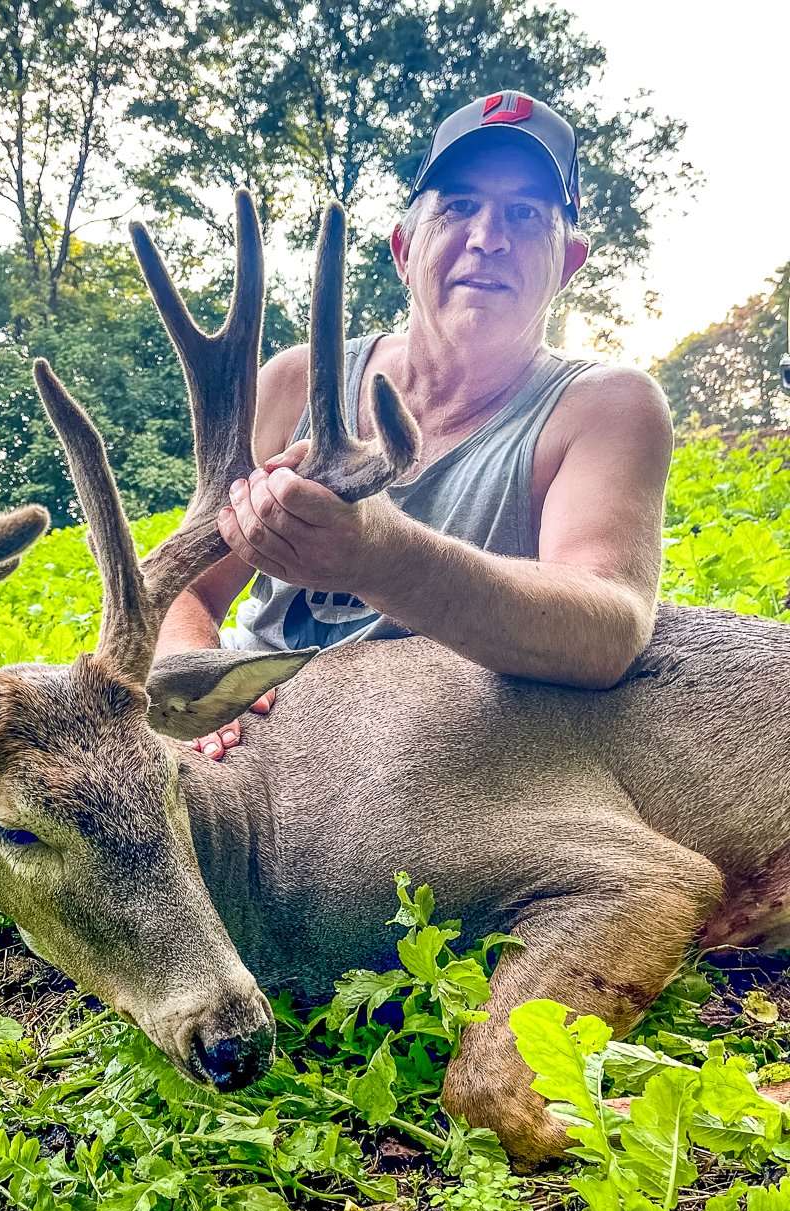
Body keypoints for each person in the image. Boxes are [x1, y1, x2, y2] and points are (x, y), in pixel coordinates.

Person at [153, 91, 674, 760]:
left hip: (430, 774)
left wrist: (382, 557)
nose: (488, 238)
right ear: (403, 248)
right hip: (252, 742)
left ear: (569, 261)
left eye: (524, 214)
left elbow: (609, 626)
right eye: (459, 206)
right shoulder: (294, 382)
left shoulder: (604, 408)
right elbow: (184, 584)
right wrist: (197, 670)